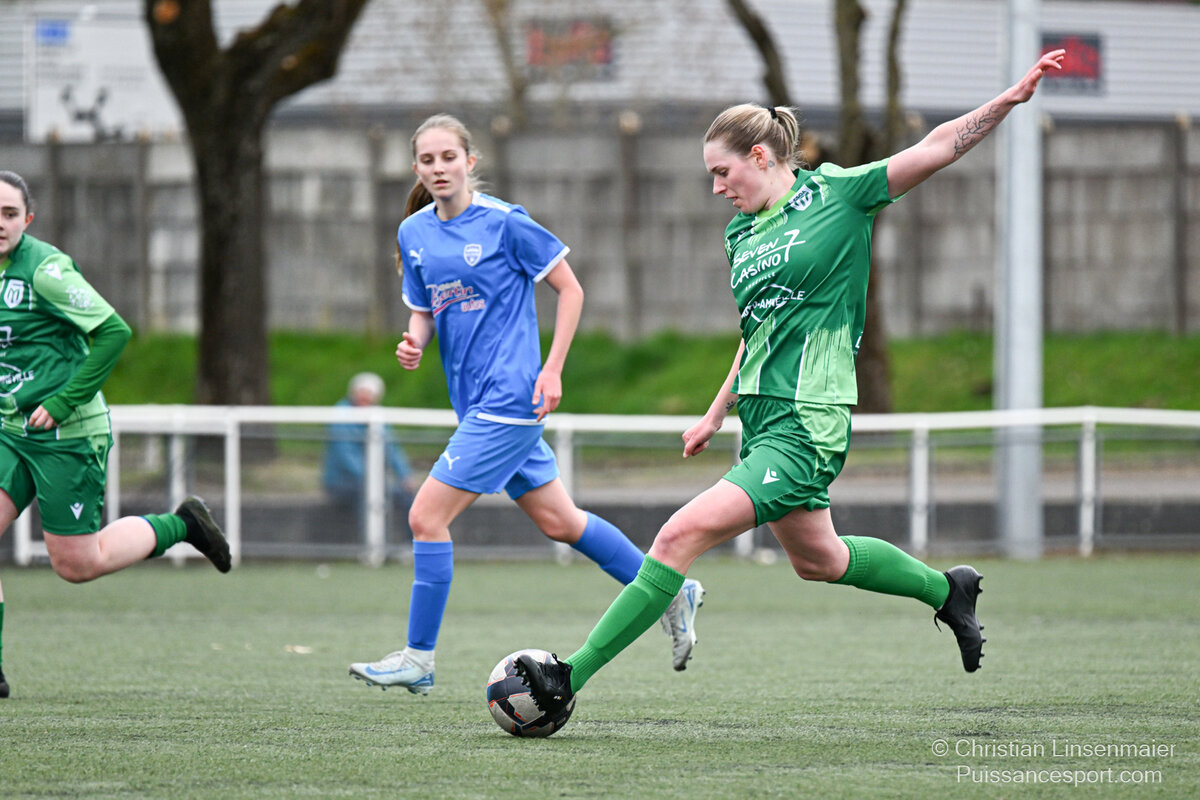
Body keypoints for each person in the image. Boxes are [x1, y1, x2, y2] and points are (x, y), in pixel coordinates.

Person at [515, 51, 1068, 715]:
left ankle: (567, 679)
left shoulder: (840, 195)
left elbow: (936, 146)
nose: (716, 188)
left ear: (759, 155)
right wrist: (716, 411)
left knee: (674, 539)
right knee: (820, 560)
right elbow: (756, 330)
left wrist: (1006, 100)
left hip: (808, 419)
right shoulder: (740, 235)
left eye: (722, 172)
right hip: (761, 421)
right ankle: (947, 591)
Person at [347, 114, 705, 694]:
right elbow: (424, 308)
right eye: (428, 160)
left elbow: (570, 288)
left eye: (449, 157)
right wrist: (415, 340)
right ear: (416, 168)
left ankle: (418, 657)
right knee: (561, 521)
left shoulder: (506, 223)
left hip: (510, 398)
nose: (439, 168)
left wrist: (552, 368)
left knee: (425, 517)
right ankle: (672, 589)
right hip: (475, 405)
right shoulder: (413, 233)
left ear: (469, 161)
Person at [0, 170, 231, 699]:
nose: (0, 224)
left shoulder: (45, 271)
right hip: (11, 430)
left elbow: (113, 331)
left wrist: (63, 401)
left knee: (76, 565)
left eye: (9, 214)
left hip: (68, 434)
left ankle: (181, 525)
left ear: (27, 219)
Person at [322, 371, 418, 529]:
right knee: (368, 497)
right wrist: (373, 480)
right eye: (362, 394)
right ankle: (370, 541)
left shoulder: (377, 417)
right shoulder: (341, 416)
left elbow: (392, 449)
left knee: (408, 496)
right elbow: (345, 455)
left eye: (369, 396)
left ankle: (410, 541)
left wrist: (405, 475)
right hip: (342, 482)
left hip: (370, 481)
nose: (365, 400)